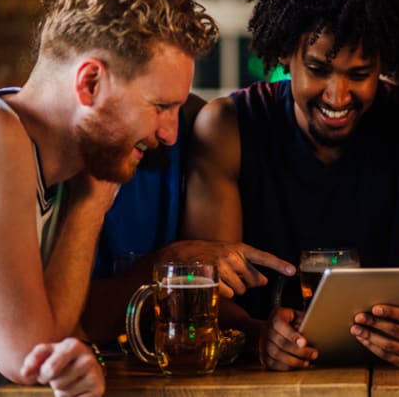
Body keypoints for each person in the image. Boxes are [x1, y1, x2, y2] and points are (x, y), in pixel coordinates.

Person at [0, 0, 221, 397]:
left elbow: (56, 334)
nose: (170, 134)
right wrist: (93, 206)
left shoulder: (59, 174)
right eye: (161, 107)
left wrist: (89, 201)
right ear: (90, 83)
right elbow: (30, 355)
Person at [184, 0, 399, 370]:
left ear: (384, 65)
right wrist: (262, 335)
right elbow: (209, 291)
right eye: (318, 69)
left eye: (359, 74)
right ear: (285, 56)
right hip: (257, 380)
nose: (338, 96)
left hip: (389, 376)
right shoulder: (226, 128)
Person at [81, 92, 296, 346]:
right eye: (159, 104)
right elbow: (57, 325)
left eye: (175, 105)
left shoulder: (194, 125)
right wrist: (166, 264)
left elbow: (203, 308)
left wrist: (262, 336)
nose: (170, 135)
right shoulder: (43, 145)